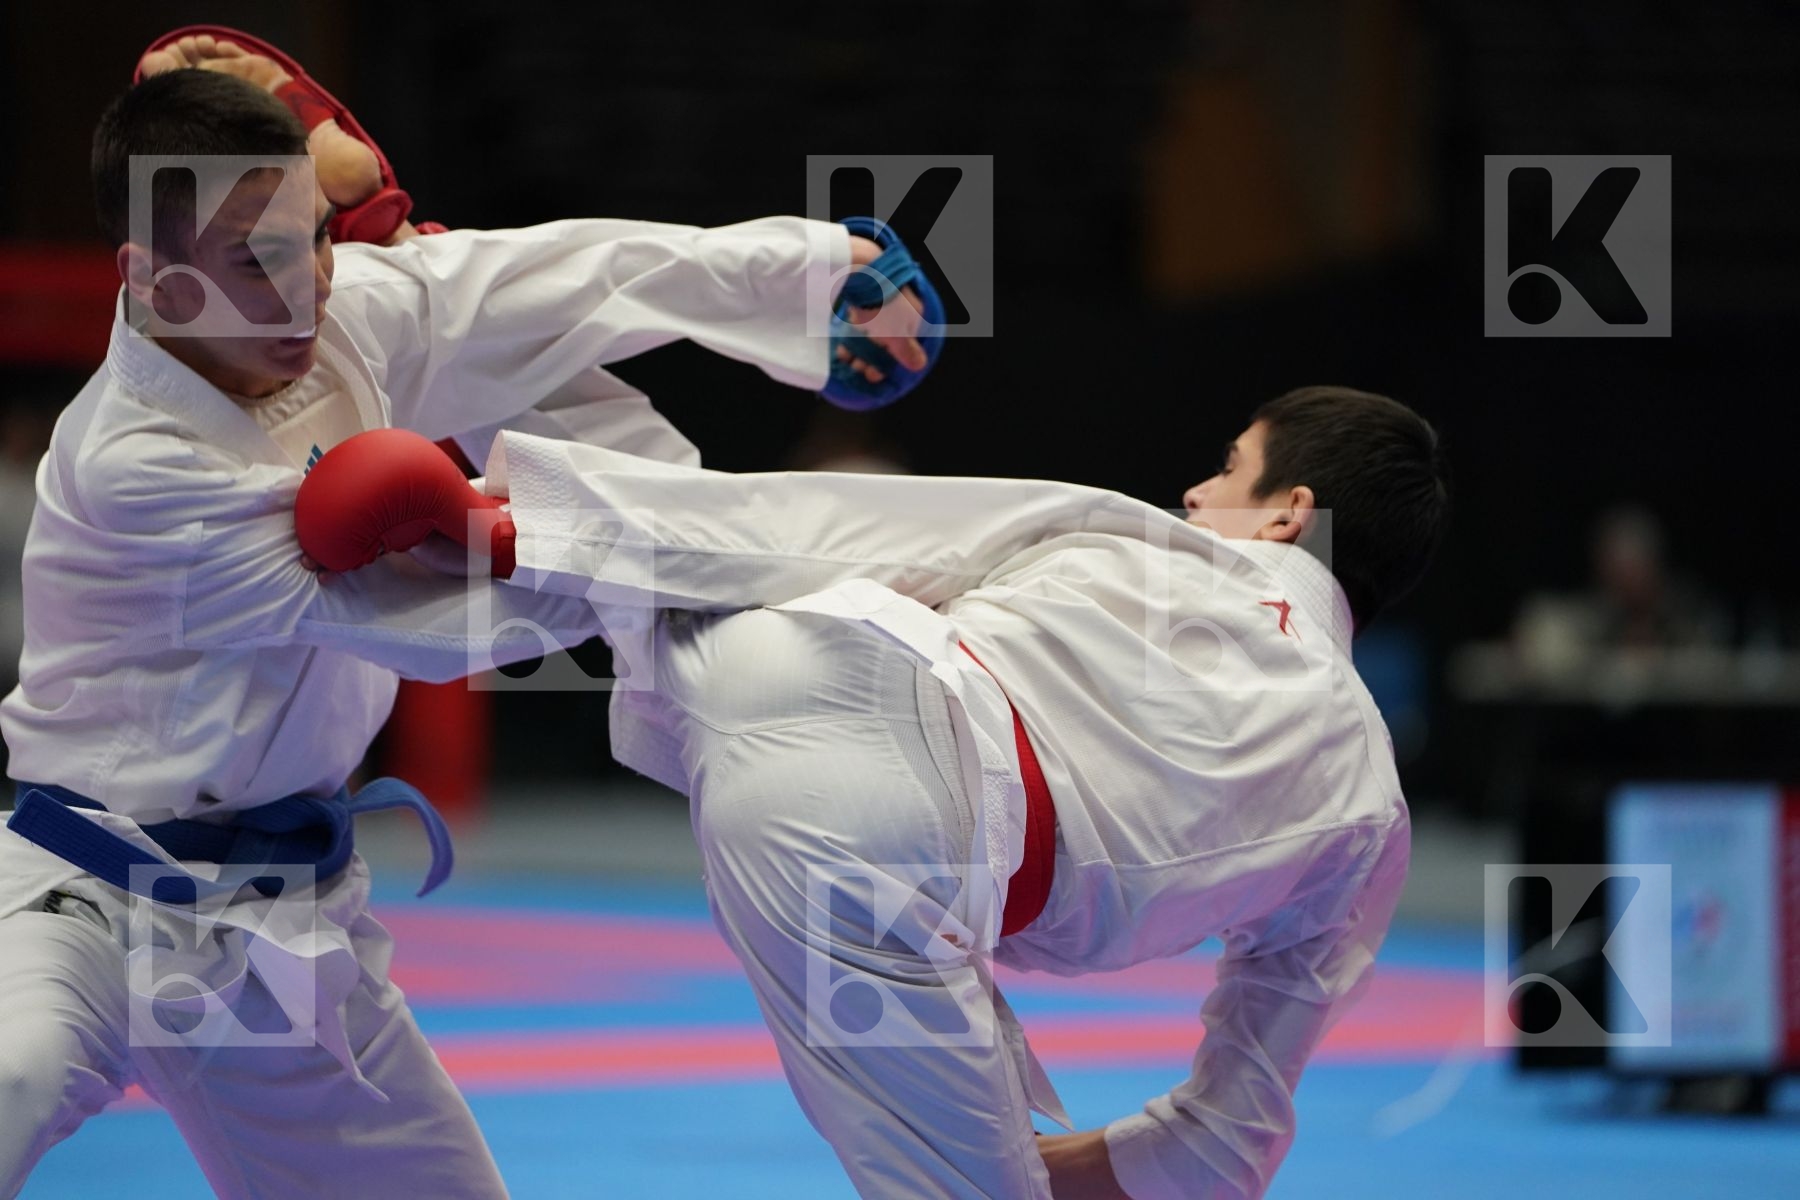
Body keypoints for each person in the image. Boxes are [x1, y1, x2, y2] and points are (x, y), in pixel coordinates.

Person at [0, 51, 930, 1199]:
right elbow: (423, 621)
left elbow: (564, 275)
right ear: (150, 277)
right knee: (14, 1075)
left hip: (282, 937)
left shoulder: (343, 316)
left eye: (317, 239)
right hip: (79, 907)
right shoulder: (137, 463)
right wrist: (666, 558)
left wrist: (801, 270)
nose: (308, 291)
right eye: (256, 260)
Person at [299, 385, 1452, 1198]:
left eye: (1226, 470)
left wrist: (522, 530)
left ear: (1291, 512)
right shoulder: (1367, 809)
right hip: (891, 852)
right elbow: (1222, 1148)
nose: (1195, 490)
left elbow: (838, 524)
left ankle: (430, 324)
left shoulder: (1143, 539)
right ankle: (494, 521)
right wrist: (1010, 1172)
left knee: (677, 505)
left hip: (822, 662)